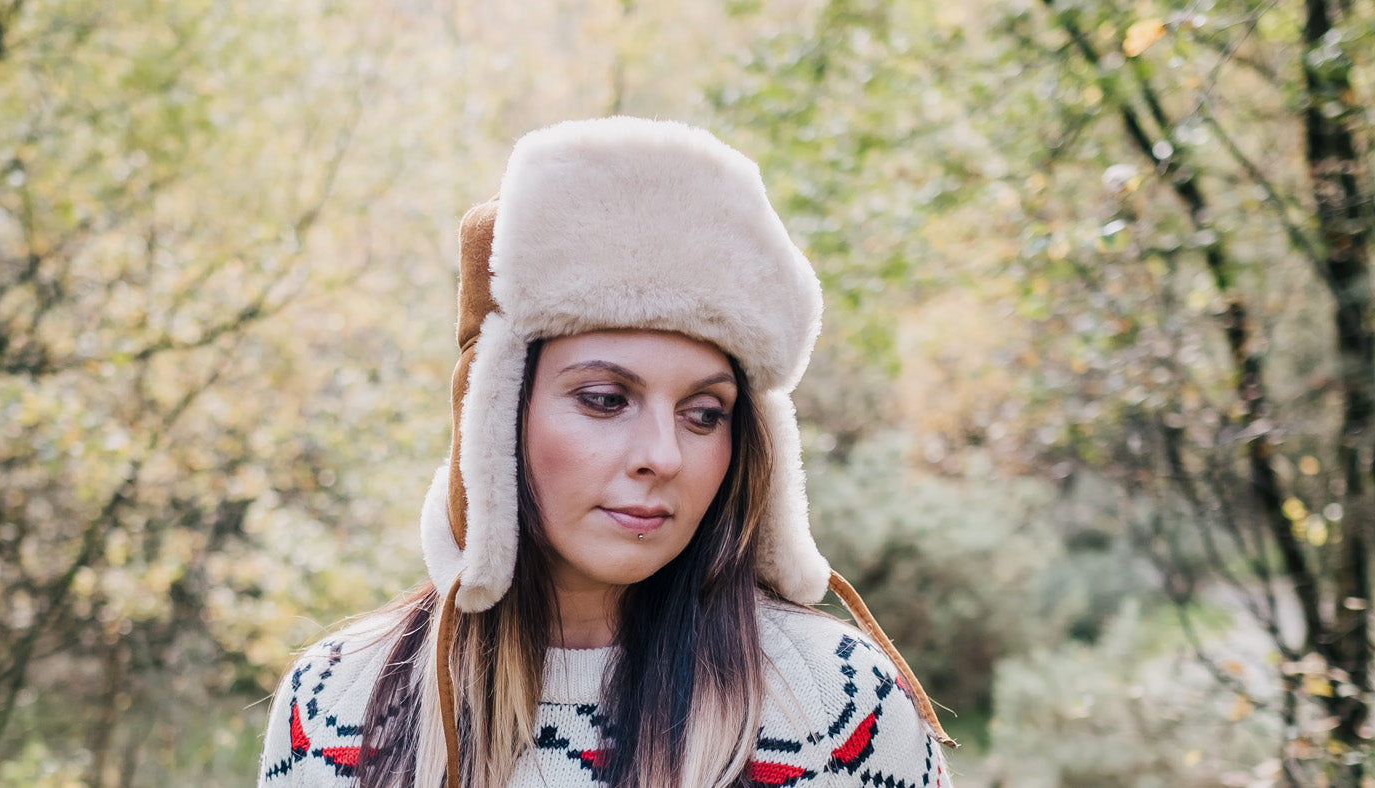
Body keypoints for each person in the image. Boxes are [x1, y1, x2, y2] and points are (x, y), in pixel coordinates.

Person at [258, 117, 957, 788]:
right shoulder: (334, 706)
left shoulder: (839, 704)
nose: (664, 456)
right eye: (604, 399)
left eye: (704, 413)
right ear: (497, 416)